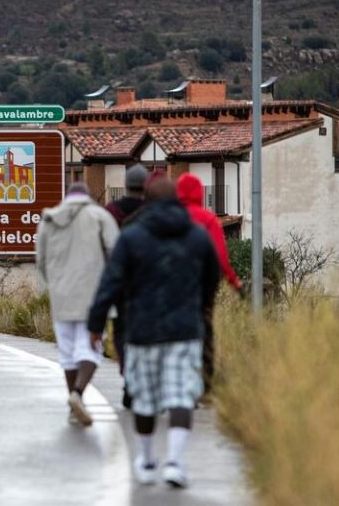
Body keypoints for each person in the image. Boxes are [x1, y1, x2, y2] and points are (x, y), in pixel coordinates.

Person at [87, 177, 220, 488]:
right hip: (185, 330)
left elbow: (110, 283)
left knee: (145, 400)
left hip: (141, 330)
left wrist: (96, 324)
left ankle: (146, 460)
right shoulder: (198, 237)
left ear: (146, 200)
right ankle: (175, 462)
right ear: (177, 201)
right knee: (181, 396)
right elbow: (211, 278)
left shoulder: (131, 237)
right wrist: (199, 309)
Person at [36, 182, 119, 427]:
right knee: (90, 349)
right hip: (94, 296)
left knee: (68, 353)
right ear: (87, 196)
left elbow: (41, 260)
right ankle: (78, 394)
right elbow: (115, 254)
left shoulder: (48, 220)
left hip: (61, 297)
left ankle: (74, 407)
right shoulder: (100, 216)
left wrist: (54, 284)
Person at [176, 173, 242, 394]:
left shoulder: (172, 218)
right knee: (205, 327)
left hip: (173, 284)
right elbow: (220, 256)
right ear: (199, 193)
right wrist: (233, 282)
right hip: (202, 284)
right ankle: (206, 379)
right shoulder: (208, 219)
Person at [104, 164, 148, 408]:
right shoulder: (151, 211)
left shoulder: (111, 211)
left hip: (120, 282)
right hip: (148, 283)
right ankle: (142, 375)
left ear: (126, 184)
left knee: (121, 332)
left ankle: (127, 372)